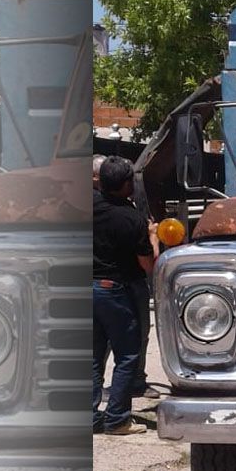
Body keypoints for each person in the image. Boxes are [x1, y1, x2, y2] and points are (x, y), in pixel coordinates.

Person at [93, 156, 158, 435]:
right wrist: (153, 236)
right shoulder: (131, 219)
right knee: (128, 354)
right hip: (114, 290)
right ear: (125, 184)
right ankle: (117, 418)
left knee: (94, 356)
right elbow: (148, 265)